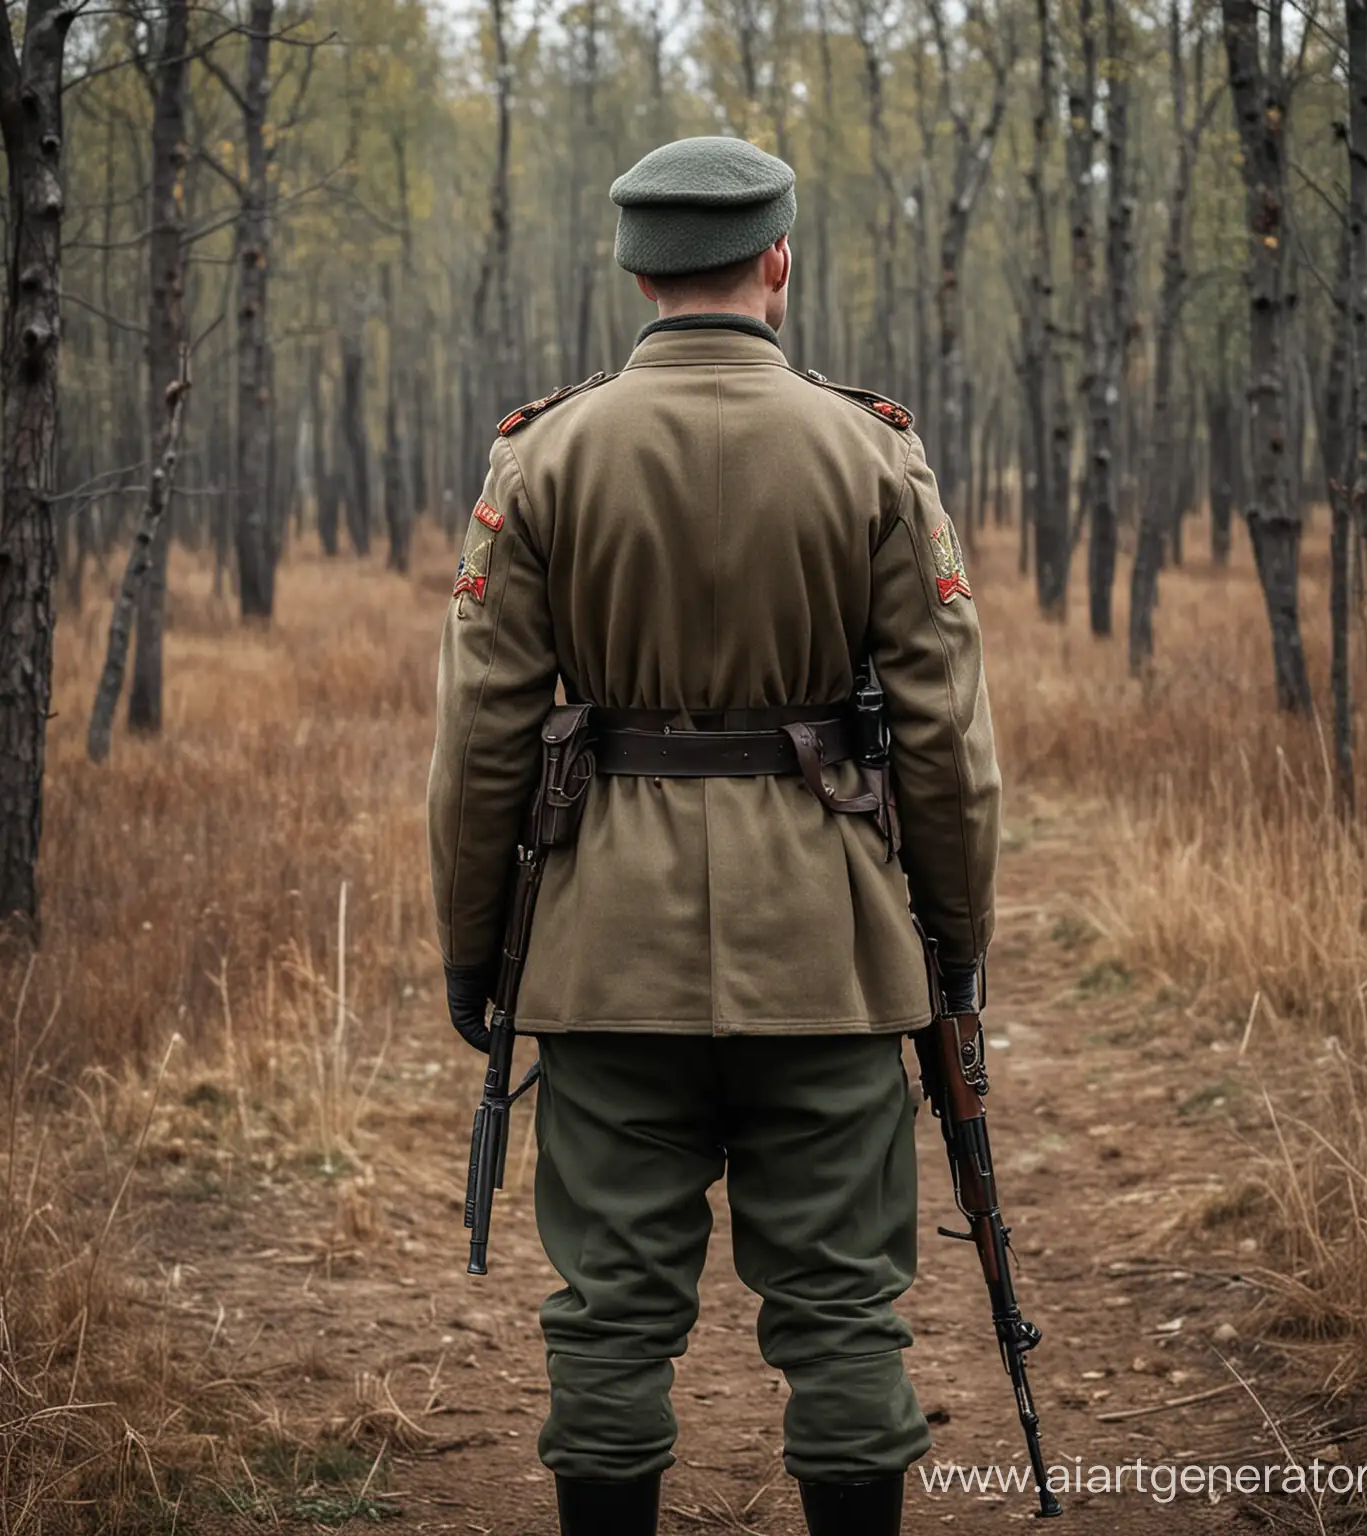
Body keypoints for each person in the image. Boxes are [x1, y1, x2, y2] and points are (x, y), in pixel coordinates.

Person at [427, 135, 1001, 1536]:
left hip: (603, 952)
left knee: (611, 1317)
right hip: (834, 950)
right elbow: (946, 744)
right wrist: (952, 946)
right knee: (846, 1315)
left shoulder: (545, 452)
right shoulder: (870, 451)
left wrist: (473, 954)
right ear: (779, 263)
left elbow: (481, 743)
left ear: (636, 268)